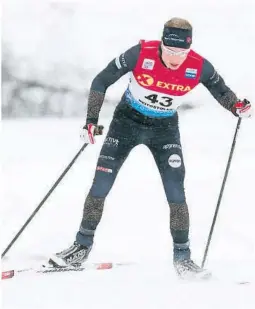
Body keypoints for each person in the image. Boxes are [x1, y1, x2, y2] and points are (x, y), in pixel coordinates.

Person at [49, 17, 252, 278]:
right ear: (161, 45)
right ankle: (81, 247)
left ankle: (183, 260)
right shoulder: (140, 54)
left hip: (164, 130)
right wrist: (91, 122)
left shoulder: (199, 66)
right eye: (169, 51)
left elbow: (221, 91)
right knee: (101, 184)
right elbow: (101, 81)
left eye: (181, 52)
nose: (175, 58)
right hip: (126, 123)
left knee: (176, 191)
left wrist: (237, 107)